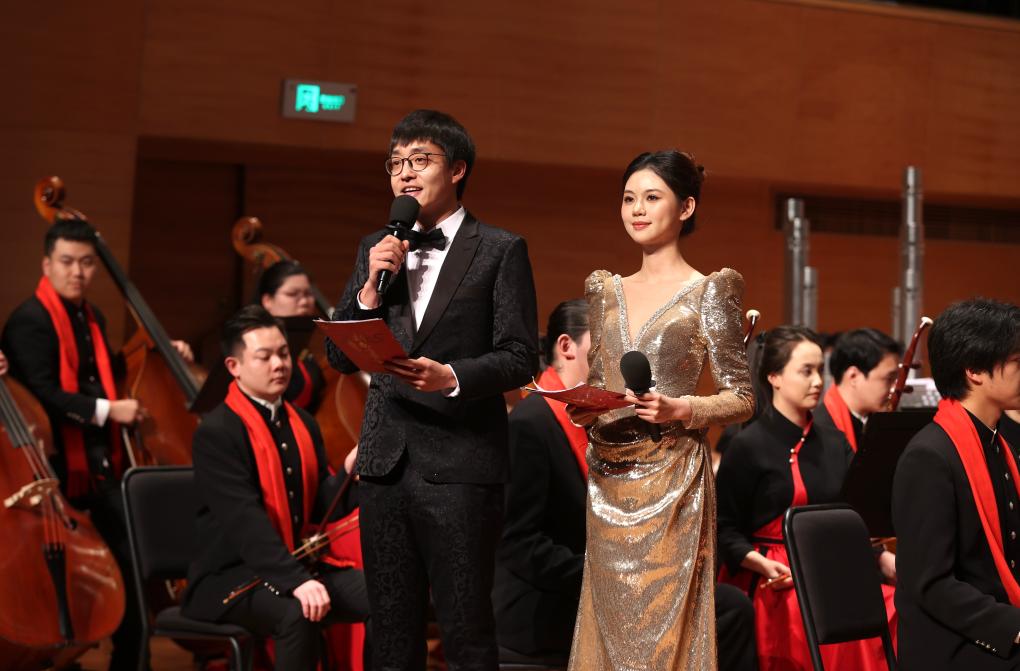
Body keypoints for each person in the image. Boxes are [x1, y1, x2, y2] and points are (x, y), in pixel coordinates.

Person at [327, 109, 539, 670]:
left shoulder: (499, 249)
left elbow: (521, 357)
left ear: (458, 169)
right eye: (396, 163)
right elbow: (338, 355)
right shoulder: (375, 248)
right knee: (389, 634)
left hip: (462, 466)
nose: (405, 173)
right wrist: (369, 293)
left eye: (420, 160)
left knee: (466, 632)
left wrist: (453, 377)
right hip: (385, 467)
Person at [566, 149, 754, 670]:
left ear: (686, 207)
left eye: (652, 197)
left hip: (673, 478)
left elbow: (742, 396)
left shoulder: (709, 290)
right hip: (607, 479)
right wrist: (585, 406)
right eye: (629, 198)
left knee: (663, 633)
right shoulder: (605, 290)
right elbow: (600, 381)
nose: (637, 210)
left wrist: (681, 407)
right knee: (609, 625)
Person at [496, 300, 758, 671]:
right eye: (604, 345)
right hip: (550, 605)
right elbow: (519, 543)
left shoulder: (607, 417)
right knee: (726, 610)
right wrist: (611, 574)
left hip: (616, 583)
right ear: (566, 347)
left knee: (726, 607)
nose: (612, 357)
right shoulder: (531, 423)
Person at [0, 217, 193, 670]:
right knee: (121, 560)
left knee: (130, 564)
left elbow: (106, 372)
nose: (78, 272)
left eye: (87, 263)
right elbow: (42, 393)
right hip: (54, 470)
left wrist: (160, 349)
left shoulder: (92, 317)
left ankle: (131, 659)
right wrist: (107, 411)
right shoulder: (29, 322)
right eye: (67, 262)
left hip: (101, 465)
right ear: (47, 264)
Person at [182, 305, 368, 670]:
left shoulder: (303, 422)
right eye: (264, 357)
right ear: (234, 367)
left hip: (293, 562)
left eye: (283, 354)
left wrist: (349, 474)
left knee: (387, 593)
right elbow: (244, 521)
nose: (279, 364)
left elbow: (317, 508)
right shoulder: (216, 432)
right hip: (229, 577)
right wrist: (296, 581)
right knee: (297, 612)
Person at [716, 326, 897, 670]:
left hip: (830, 566)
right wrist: (761, 563)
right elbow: (724, 529)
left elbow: (851, 515)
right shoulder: (747, 446)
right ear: (774, 377)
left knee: (893, 604)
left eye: (819, 371)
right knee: (808, 613)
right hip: (774, 576)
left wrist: (878, 556)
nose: (817, 382)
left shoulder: (833, 441)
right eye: (806, 371)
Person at [892, 298, 1020, 670]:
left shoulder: (998, 443)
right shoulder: (929, 457)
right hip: (952, 644)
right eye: (1017, 360)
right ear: (975, 371)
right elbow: (931, 584)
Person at [815, 328, 901, 451]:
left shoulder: (876, 421)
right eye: (888, 379)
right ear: (853, 376)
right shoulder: (820, 431)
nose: (894, 388)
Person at [256, 260, 325, 412]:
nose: (304, 302)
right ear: (267, 301)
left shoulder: (305, 346)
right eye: (292, 294)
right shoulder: (254, 348)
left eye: (308, 294)